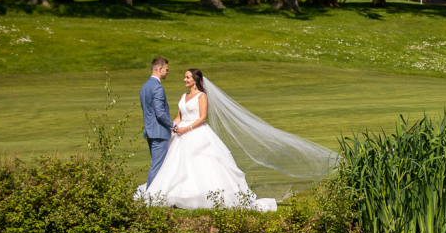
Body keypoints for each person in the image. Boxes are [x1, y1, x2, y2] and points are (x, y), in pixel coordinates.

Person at [137, 69, 339, 210]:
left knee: (202, 163)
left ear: (196, 80)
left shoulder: (202, 97)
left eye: (187, 77)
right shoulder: (183, 96)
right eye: (185, 77)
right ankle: (175, 195)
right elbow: (179, 117)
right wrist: (173, 127)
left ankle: (205, 197)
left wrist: (187, 128)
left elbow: (202, 118)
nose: (184, 79)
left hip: (196, 132)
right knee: (177, 166)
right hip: (182, 134)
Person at [139, 57, 175, 187]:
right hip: (159, 132)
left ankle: (153, 194)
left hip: (150, 130)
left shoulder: (144, 87)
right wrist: (173, 125)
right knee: (158, 166)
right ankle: (150, 195)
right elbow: (160, 113)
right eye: (166, 69)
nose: (168, 72)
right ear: (160, 69)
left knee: (155, 163)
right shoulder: (158, 88)